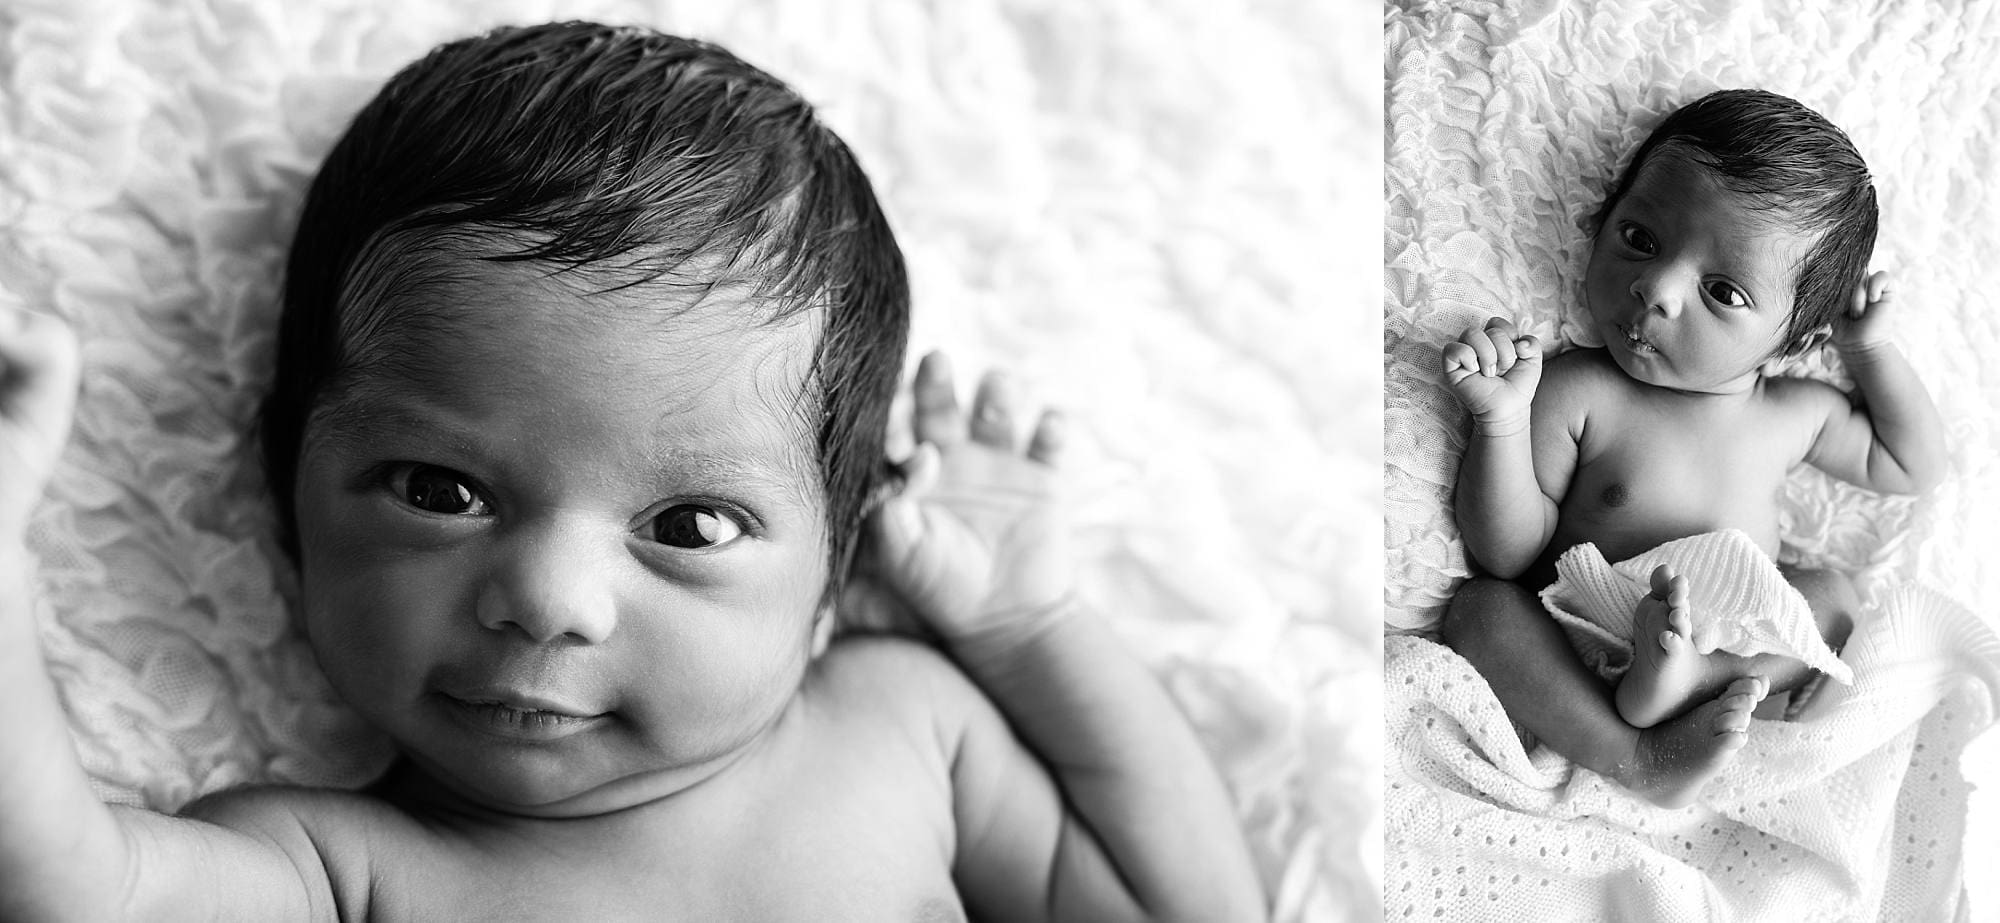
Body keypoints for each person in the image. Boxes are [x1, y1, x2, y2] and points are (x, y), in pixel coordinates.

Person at [0, 23, 1262, 921]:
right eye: (440, 490)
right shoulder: (344, 867)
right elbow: (67, 885)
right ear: (289, 487)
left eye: (690, 521)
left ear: (840, 555)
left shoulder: (900, 734)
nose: (548, 597)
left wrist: (1027, 627)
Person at [1436, 89, 1946, 808]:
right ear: (1601, 218)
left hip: (1729, 657)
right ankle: (1639, 755)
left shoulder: (1793, 414)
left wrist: (1868, 348)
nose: (1656, 288)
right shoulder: (1577, 390)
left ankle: (1695, 678)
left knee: (1833, 593)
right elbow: (1510, 554)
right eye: (1641, 239)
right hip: (1587, 640)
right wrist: (1501, 425)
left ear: (1796, 340)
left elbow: (1912, 465)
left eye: (1724, 291)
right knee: (1481, 609)